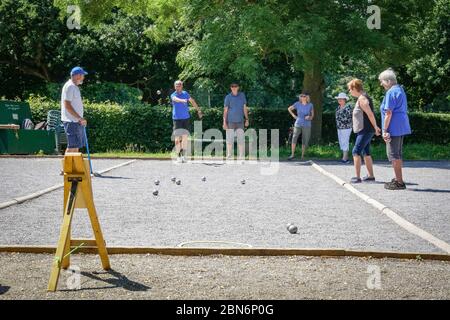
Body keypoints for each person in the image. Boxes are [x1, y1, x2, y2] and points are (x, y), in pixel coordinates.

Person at [379, 69, 412, 190]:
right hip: (401, 126)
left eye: (382, 81)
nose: (381, 84)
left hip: (393, 127)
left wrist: (384, 130)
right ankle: (397, 178)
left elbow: (388, 113)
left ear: (388, 81)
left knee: (393, 155)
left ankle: (399, 182)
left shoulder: (391, 92)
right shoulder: (400, 89)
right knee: (397, 154)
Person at [347, 79, 381, 183]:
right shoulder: (363, 97)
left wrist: (376, 127)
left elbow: (370, 114)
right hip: (365, 129)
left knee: (355, 151)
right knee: (366, 152)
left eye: (350, 89)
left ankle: (357, 177)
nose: (349, 91)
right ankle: (371, 176)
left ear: (354, 88)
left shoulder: (362, 99)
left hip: (365, 130)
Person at [170, 80, 203, 163]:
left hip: (186, 118)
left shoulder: (185, 93)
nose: (178, 86)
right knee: (177, 139)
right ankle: (178, 156)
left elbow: (192, 101)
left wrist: (198, 110)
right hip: (177, 119)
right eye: (177, 85)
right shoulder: (173, 95)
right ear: (175, 87)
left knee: (185, 137)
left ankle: (184, 156)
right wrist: (182, 101)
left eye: (180, 85)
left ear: (182, 86)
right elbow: (175, 99)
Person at [61, 66, 88, 154]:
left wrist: (80, 118)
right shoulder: (70, 86)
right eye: (83, 75)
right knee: (72, 146)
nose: (83, 77)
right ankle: (66, 168)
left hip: (75, 121)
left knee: (76, 147)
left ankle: (73, 167)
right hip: (71, 121)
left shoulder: (74, 86)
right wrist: (80, 118)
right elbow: (67, 105)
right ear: (77, 76)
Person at [223, 82, 249, 159]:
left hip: (240, 121)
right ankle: (229, 154)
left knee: (241, 139)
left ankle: (241, 155)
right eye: (232, 86)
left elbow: (244, 108)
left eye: (235, 86)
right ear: (230, 88)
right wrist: (224, 122)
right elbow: (225, 110)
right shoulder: (228, 97)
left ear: (238, 87)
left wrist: (247, 119)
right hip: (230, 121)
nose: (234, 88)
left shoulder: (242, 96)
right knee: (229, 139)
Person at [287, 92, 314, 160]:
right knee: (294, 138)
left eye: (304, 96)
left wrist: (309, 117)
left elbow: (312, 116)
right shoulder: (297, 104)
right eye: (301, 96)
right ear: (300, 97)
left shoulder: (310, 105)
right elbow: (289, 109)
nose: (302, 97)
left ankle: (302, 156)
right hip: (298, 124)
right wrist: (293, 115)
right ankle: (292, 154)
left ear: (307, 97)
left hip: (307, 125)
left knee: (305, 140)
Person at [334, 92, 353, 164]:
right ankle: (345, 157)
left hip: (347, 127)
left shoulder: (348, 108)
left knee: (345, 141)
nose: (339, 100)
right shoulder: (338, 108)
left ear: (345, 100)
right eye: (338, 99)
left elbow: (349, 118)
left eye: (341, 99)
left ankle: (345, 158)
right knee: (341, 142)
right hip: (339, 127)